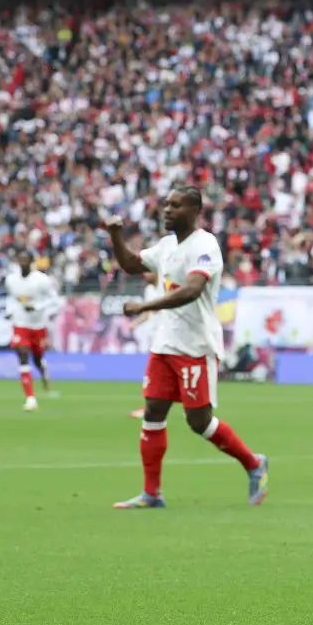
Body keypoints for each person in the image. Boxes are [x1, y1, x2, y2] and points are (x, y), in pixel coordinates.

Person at [104, 186, 269, 509]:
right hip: (164, 344)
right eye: (166, 205)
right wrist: (116, 236)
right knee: (152, 411)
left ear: (195, 211)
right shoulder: (166, 246)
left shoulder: (205, 246)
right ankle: (152, 493)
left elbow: (192, 290)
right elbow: (131, 265)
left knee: (199, 421)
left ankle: (253, 463)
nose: (167, 210)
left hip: (195, 345)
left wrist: (145, 307)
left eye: (176, 206)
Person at [5, 250, 61, 411]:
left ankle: (43, 370)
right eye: (20, 260)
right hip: (20, 323)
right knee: (22, 353)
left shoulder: (41, 280)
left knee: (37, 358)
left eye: (25, 260)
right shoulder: (11, 280)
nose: (22, 263)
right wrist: (9, 310)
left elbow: (55, 301)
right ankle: (30, 397)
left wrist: (37, 307)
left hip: (37, 325)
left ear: (31, 263)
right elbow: (11, 298)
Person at [129, 272, 161, 420]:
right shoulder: (149, 290)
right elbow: (149, 313)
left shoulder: (164, 287)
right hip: (154, 336)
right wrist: (136, 323)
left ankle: (149, 407)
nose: (145, 274)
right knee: (156, 374)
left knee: (153, 374)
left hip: (167, 336)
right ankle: (151, 407)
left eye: (148, 271)